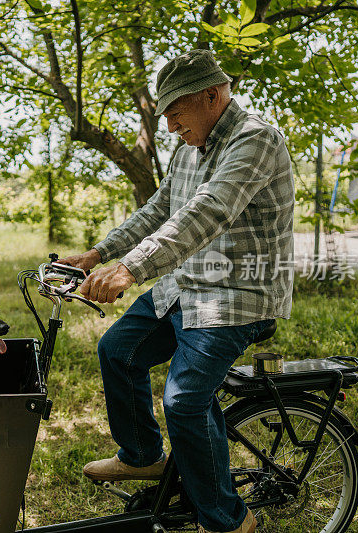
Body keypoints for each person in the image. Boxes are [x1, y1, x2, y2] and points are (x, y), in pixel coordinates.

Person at [60, 49, 294, 533]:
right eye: (165, 116)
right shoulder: (189, 147)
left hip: (236, 294)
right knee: (117, 351)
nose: (170, 127)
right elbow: (161, 208)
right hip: (186, 285)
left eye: (175, 113)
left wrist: (132, 268)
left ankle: (229, 522)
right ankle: (143, 455)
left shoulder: (257, 141)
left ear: (213, 95)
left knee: (184, 400)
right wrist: (99, 254)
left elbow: (209, 212)